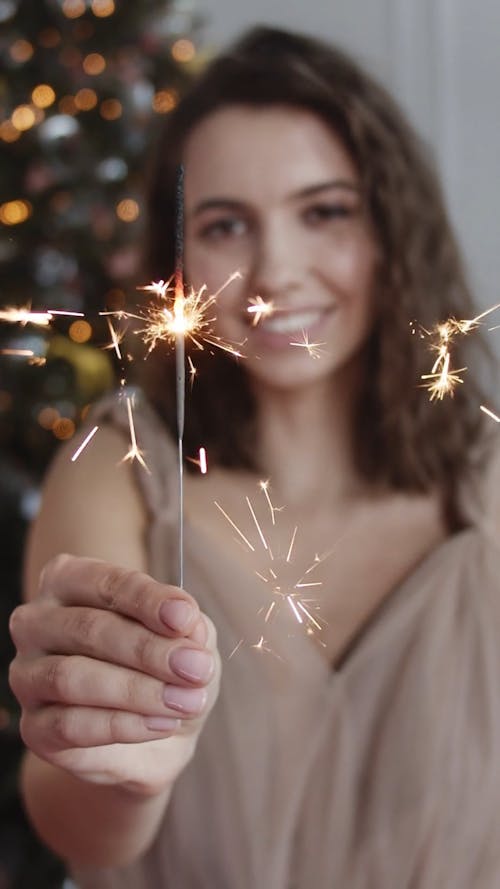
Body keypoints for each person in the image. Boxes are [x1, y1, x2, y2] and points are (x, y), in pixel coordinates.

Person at [8, 25, 500, 889]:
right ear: (179, 260)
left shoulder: (488, 481)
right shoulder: (118, 468)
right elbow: (68, 816)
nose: (276, 270)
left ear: (391, 227)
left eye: (325, 211)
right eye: (227, 224)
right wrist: (124, 771)